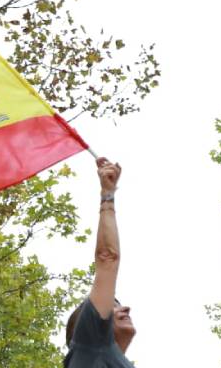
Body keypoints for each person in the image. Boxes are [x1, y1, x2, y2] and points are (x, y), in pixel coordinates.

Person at [64, 156, 136, 367]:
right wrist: (108, 196)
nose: (126, 309)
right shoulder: (92, 342)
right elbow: (107, 257)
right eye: (113, 305)